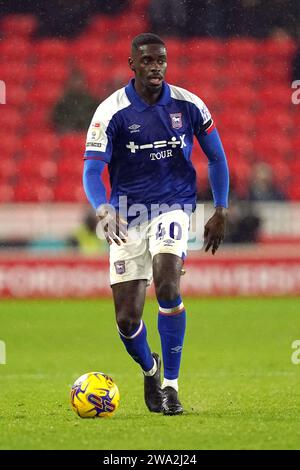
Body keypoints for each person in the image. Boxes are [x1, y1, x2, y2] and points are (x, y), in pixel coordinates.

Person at [83, 33, 229, 415]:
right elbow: (92, 170)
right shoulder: (111, 112)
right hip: (127, 214)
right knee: (127, 319)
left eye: (161, 61)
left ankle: (171, 386)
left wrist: (221, 208)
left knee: (167, 283)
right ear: (132, 63)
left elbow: (217, 158)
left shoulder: (189, 104)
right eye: (147, 60)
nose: (156, 67)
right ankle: (150, 369)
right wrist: (103, 209)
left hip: (173, 206)